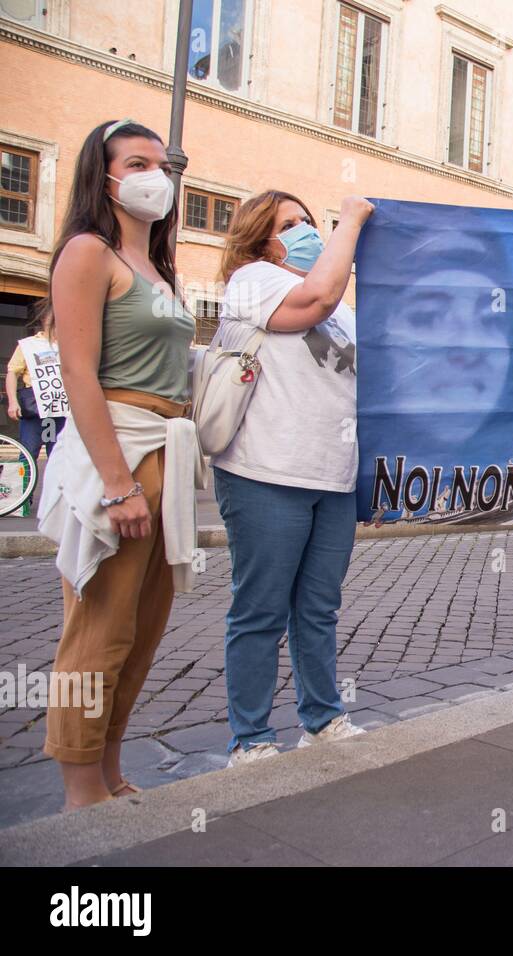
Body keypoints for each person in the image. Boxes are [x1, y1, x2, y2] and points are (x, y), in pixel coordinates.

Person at [36, 119, 199, 811]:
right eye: (137, 161)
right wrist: (116, 483)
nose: (154, 175)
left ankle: (109, 769)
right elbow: (78, 371)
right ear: (102, 176)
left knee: (140, 631)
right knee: (97, 631)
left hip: (166, 448)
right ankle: (79, 792)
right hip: (122, 453)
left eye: (163, 165)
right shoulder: (87, 252)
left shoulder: (160, 266)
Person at [212, 189, 373, 765]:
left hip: (331, 477)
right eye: (292, 224)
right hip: (265, 471)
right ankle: (250, 738)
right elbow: (318, 297)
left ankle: (322, 718)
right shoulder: (253, 280)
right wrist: (350, 219)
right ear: (262, 240)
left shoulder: (346, 312)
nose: (307, 231)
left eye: (311, 220)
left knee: (318, 607)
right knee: (260, 609)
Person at [6, 316, 67, 461]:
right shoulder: (28, 345)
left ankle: (54, 484)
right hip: (35, 405)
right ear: (46, 323)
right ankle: (25, 483)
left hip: (60, 407)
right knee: (28, 452)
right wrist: (13, 401)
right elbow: (12, 373)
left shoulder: (68, 346)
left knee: (57, 454)